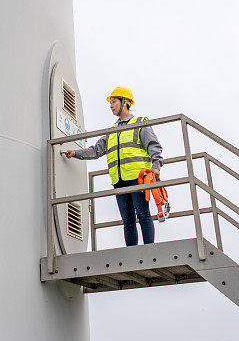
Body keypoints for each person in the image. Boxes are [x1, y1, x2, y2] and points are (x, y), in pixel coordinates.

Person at [61, 87, 163, 246]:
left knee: (143, 214)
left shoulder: (140, 123)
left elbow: (154, 146)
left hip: (138, 178)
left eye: (113, 101)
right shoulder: (112, 131)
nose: (111, 106)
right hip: (119, 180)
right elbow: (95, 151)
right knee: (127, 220)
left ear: (125, 102)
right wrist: (75, 153)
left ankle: (149, 250)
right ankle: (132, 252)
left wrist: (156, 166)